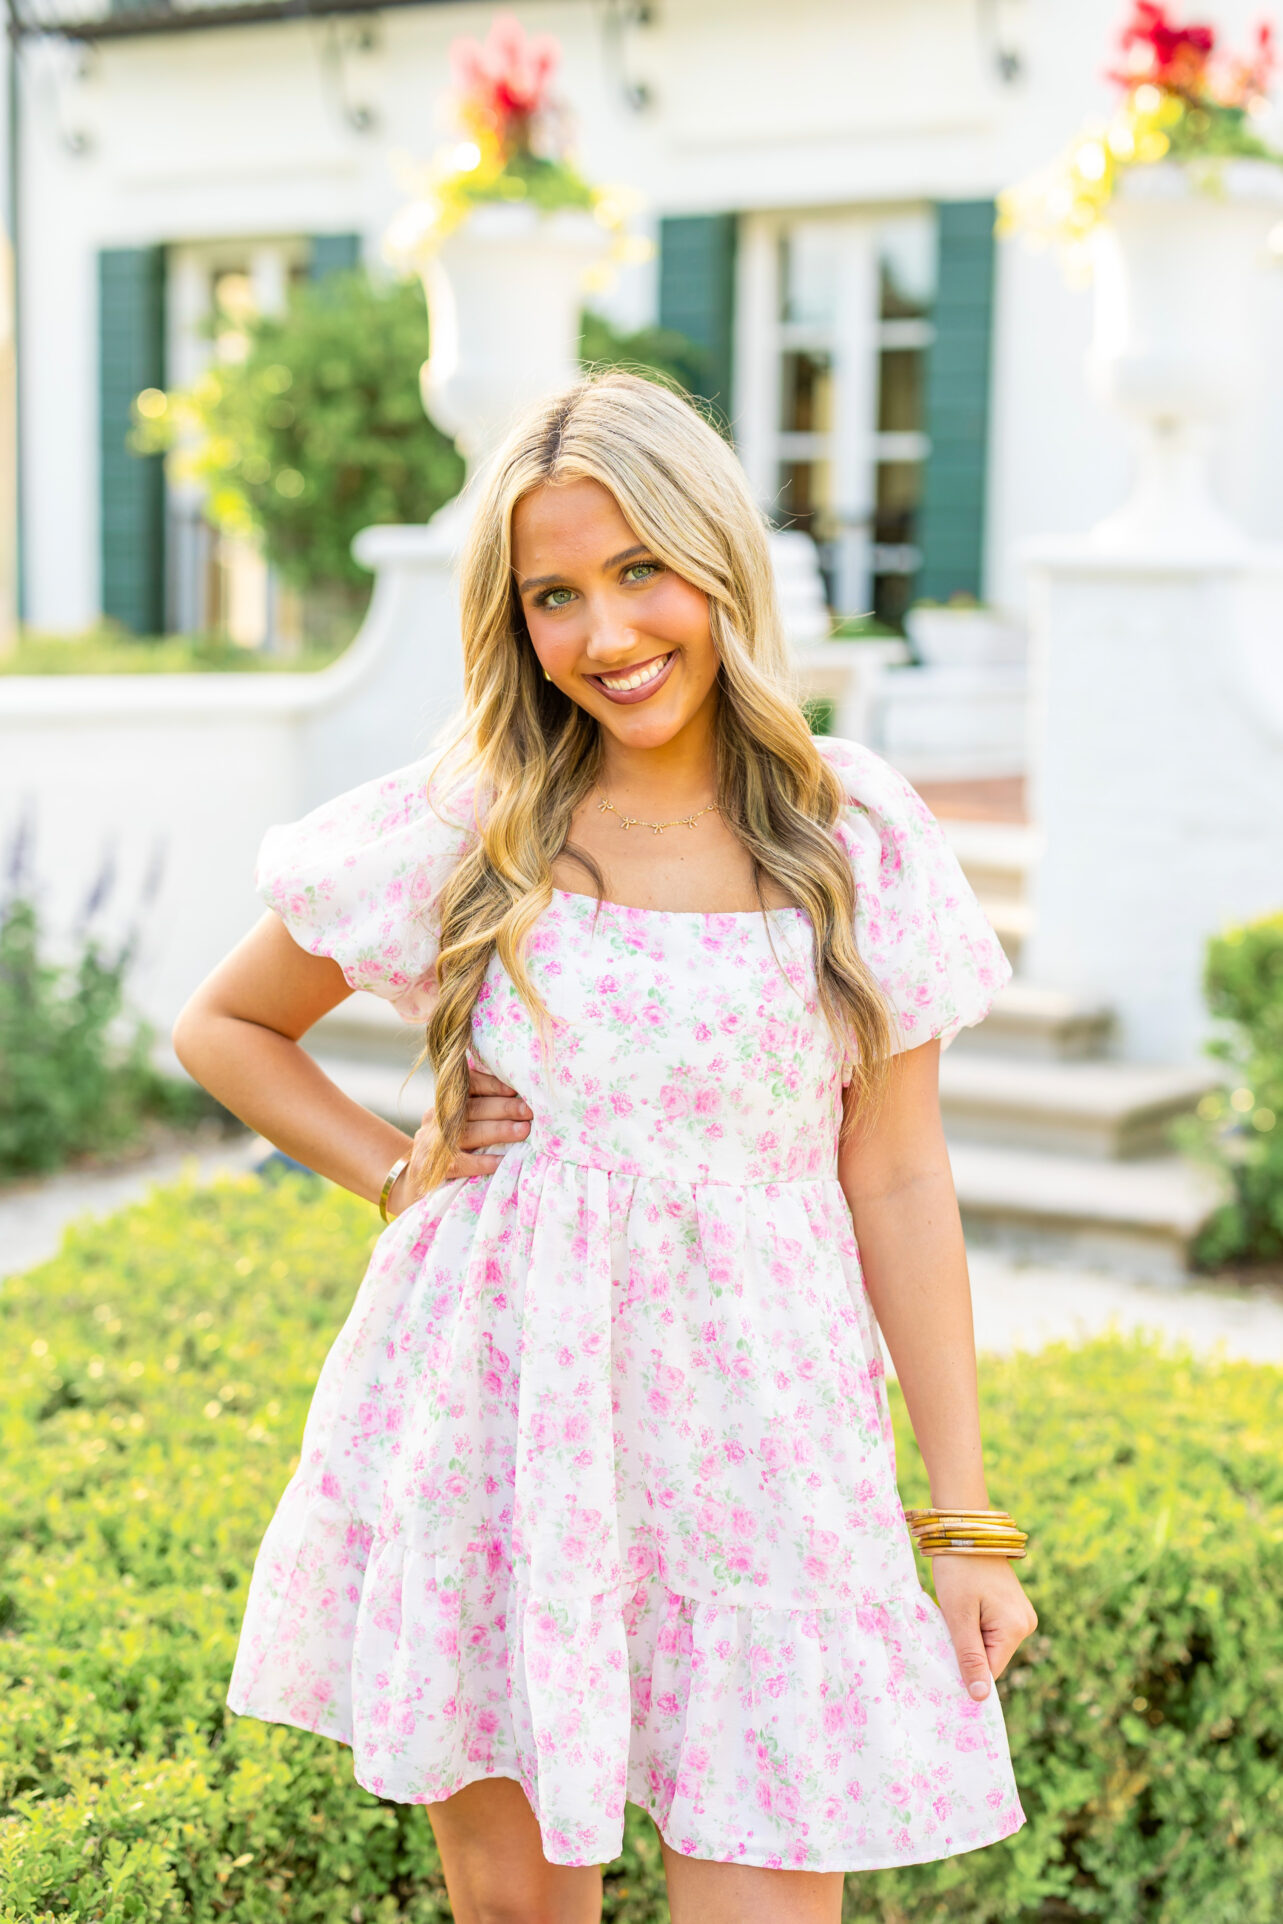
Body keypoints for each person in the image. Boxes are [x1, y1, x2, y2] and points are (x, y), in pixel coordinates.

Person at [173, 370, 1036, 1924]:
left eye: (642, 569)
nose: (608, 634)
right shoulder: (469, 824)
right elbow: (226, 1028)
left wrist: (964, 1525)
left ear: (720, 557)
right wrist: (396, 1166)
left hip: (767, 1448)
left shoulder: (858, 842)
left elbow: (899, 1178)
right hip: (503, 1424)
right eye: (554, 594)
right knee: (517, 1915)